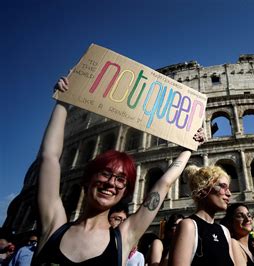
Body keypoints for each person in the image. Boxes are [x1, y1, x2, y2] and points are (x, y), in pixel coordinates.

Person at [33, 77, 204, 265]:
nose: (111, 183)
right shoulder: (53, 225)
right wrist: (63, 101)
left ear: (126, 190)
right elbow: (49, 157)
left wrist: (189, 148)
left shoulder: (125, 236)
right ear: (88, 179)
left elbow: (164, 184)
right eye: (106, 173)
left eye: (121, 179)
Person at [169, 165, 234, 265]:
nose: (229, 193)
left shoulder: (225, 232)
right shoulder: (189, 226)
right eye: (222, 186)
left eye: (228, 188)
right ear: (203, 188)